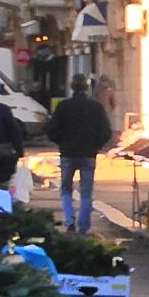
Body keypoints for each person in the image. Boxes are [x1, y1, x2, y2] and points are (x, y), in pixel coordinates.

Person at [47, 76, 116, 232]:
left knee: (66, 189)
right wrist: (96, 147)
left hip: (68, 154)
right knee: (86, 191)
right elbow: (106, 131)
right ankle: (84, 226)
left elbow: (51, 130)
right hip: (88, 155)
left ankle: (69, 219)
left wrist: (62, 143)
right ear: (87, 88)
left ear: (72, 87)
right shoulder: (96, 107)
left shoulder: (63, 106)